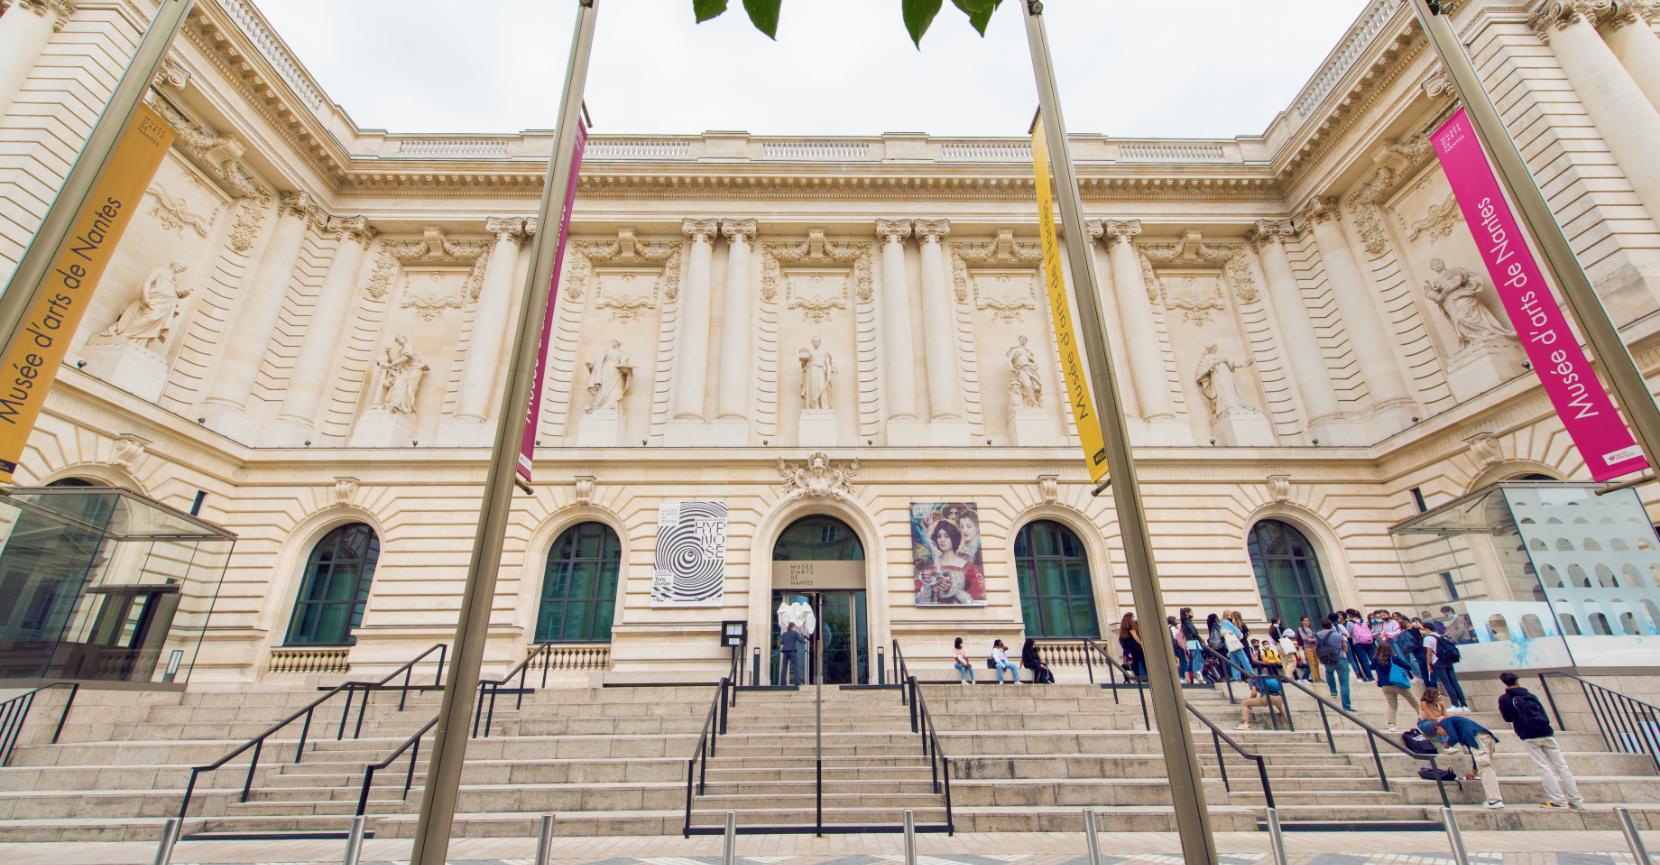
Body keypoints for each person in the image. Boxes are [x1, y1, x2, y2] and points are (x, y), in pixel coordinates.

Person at [1498, 671, 1584, 809]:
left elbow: (1508, 718)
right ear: (1517, 680)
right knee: (1562, 766)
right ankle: (1577, 800)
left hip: (1528, 734)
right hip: (1546, 732)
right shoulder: (1530, 695)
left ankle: (1558, 800)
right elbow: (1543, 713)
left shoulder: (1504, 699)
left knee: (1543, 767)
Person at [1432, 713, 1504, 809]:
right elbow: (1473, 751)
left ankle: (1495, 800)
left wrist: (1447, 744)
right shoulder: (1460, 727)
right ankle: (1494, 799)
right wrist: (1474, 771)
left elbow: (1454, 737)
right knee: (1484, 767)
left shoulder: (1444, 722)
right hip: (1486, 738)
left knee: (1485, 768)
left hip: (1478, 738)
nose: (1444, 735)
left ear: (1438, 727)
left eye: (1440, 733)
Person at [1373, 641, 1415, 732]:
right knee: (1414, 702)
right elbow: (1408, 666)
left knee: (1392, 706)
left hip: (1385, 686)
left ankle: (1392, 725)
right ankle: (1423, 718)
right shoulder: (1394, 658)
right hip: (1398, 684)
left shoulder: (1376, 659)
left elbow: (1371, 667)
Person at [1426, 623, 1468, 710]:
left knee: (1447, 683)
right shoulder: (1441, 636)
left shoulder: (1428, 638)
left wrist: (1428, 664)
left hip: (1438, 662)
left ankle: (1455, 705)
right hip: (1448, 661)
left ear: (1427, 629)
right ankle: (1464, 705)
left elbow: (1429, 653)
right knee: (1455, 683)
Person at [1316, 614, 1353, 711]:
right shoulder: (1337, 635)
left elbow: (1317, 646)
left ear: (1321, 625)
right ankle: (1346, 706)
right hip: (1340, 659)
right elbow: (1345, 649)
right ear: (1331, 625)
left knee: (1329, 672)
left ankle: (1333, 690)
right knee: (1344, 684)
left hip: (1327, 659)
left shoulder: (1318, 634)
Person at [1346, 609, 1375, 682]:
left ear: (1349, 615)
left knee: (1364, 660)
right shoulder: (1363, 621)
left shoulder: (1350, 623)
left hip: (1358, 643)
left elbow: (1348, 634)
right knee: (1373, 659)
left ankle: (1370, 677)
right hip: (1368, 641)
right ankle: (1380, 675)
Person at [1220, 611, 1249, 681]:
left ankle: (1238, 677)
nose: (1231, 616)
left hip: (1233, 644)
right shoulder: (1230, 623)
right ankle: (1248, 675)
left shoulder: (1227, 623)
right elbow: (1245, 634)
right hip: (1237, 643)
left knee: (1235, 661)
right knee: (1243, 660)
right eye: (1230, 615)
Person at [1179, 608, 1203, 685]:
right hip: (1193, 642)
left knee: (1194, 660)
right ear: (1187, 613)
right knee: (1197, 659)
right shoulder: (1188, 622)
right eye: (1191, 612)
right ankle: (1196, 676)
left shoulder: (1183, 623)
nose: (1193, 613)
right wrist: (1198, 637)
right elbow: (1194, 631)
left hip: (1189, 642)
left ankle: (1191, 676)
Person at [1119, 612, 1146, 681]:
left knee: (1134, 664)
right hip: (1136, 648)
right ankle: (1148, 678)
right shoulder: (1131, 626)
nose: (1134, 618)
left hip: (1128, 650)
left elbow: (1123, 643)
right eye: (1133, 617)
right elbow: (1135, 637)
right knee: (1144, 662)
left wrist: (1125, 654)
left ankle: (1137, 679)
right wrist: (1142, 644)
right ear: (1130, 618)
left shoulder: (1123, 629)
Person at [1297, 615, 1322, 682]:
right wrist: (1311, 639)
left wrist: (1313, 639)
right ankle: (1315, 678)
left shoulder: (1311, 628)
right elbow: (1304, 637)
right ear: (1302, 622)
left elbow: (1315, 637)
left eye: (1308, 620)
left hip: (1314, 647)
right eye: (1306, 620)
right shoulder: (1301, 628)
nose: (1307, 622)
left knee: (1316, 662)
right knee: (1311, 662)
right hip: (1307, 647)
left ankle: (1319, 677)